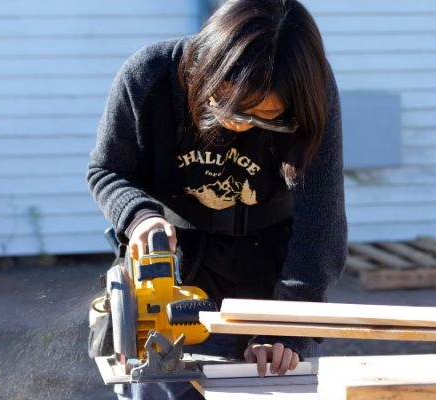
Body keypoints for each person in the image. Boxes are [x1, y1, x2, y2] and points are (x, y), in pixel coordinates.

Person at [87, 0, 346, 398]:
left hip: (266, 279)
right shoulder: (148, 75)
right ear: (209, 64)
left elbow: (321, 221)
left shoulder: (309, 88)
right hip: (170, 273)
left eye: (263, 117)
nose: (241, 124)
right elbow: (107, 171)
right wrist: (139, 216)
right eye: (230, 105)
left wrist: (288, 329)